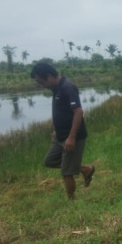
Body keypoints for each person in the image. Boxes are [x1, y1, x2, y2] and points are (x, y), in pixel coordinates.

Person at [31, 62, 96, 200]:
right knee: (49, 161)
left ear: (49, 76)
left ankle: (71, 202)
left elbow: (78, 112)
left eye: (41, 82)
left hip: (72, 137)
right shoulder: (56, 88)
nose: (42, 86)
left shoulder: (68, 87)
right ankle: (85, 169)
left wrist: (71, 137)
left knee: (66, 172)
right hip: (60, 136)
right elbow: (64, 112)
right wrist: (57, 130)